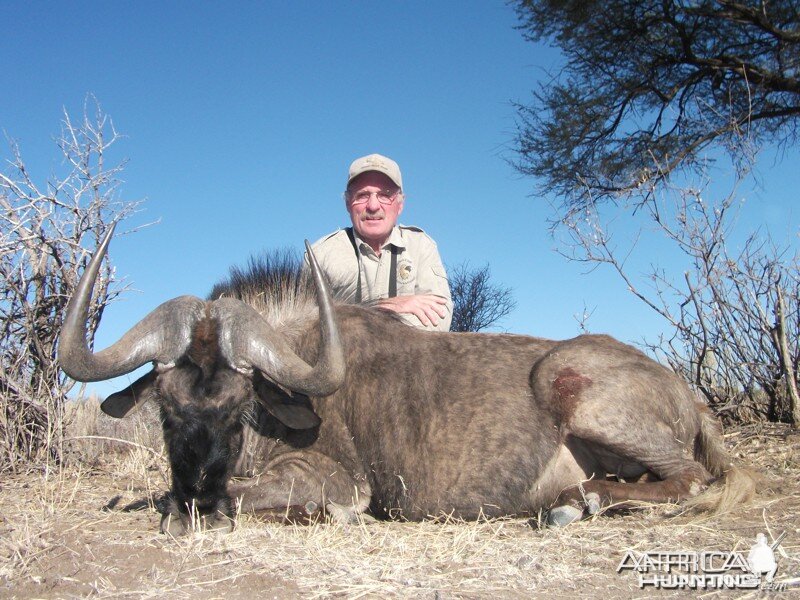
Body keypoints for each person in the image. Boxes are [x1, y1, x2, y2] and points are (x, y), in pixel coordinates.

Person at [308, 153, 452, 331]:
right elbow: (309, 329)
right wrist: (389, 306)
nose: (373, 206)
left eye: (385, 195)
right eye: (362, 195)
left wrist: (348, 320)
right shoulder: (320, 255)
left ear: (400, 204)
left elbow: (439, 320)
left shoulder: (421, 246)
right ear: (347, 203)